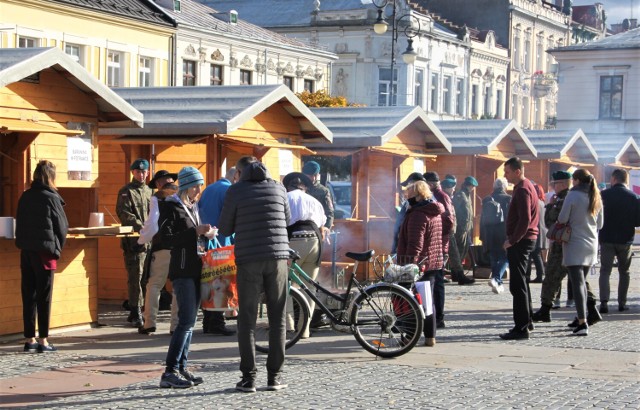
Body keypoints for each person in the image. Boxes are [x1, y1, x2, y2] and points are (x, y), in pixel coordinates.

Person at [219, 156, 290, 393]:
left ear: (240, 172)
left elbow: (225, 228)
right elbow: (286, 220)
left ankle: (249, 378)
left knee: (247, 320)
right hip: (278, 258)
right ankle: (275, 377)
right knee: (277, 318)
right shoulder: (279, 188)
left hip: (249, 258)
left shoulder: (236, 191)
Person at [158, 166, 210, 388]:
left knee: (190, 322)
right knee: (185, 322)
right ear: (187, 186)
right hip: (182, 270)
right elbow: (165, 238)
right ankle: (169, 371)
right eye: (196, 186)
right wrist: (195, 232)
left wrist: (206, 235)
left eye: (200, 186)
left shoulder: (193, 206)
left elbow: (194, 237)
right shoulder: (171, 206)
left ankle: (181, 367)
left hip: (196, 267)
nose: (199, 190)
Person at [15, 160, 69, 353]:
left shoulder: (25, 196)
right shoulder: (52, 197)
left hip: (26, 251)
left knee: (28, 295)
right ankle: (43, 340)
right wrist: (57, 249)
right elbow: (62, 227)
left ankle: (29, 339)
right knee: (44, 297)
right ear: (51, 176)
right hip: (45, 253)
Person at [396, 180, 444, 347]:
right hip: (433, 262)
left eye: (408, 196)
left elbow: (415, 243)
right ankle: (430, 336)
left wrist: (410, 265)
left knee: (410, 301)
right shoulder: (434, 211)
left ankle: (409, 336)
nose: (406, 199)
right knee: (428, 300)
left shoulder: (418, 215)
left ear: (418, 196)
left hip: (418, 264)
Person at [557, 169, 604, 336]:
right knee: (582, 282)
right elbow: (600, 224)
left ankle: (583, 322)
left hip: (575, 242)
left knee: (577, 283)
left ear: (576, 180)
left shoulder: (572, 195)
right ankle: (580, 317)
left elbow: (562, 218)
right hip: (591, 243)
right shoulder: (596, 196)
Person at [282, 171, 327, 339]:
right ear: (305, 187)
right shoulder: (315, 201)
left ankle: (288, 326)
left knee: (284, 284)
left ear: (288, 186)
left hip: (294, 241)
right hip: (315, 242)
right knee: (309, 286)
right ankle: (305, 329)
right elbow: (322, 226)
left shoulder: (285, 198)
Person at [499, 157, 539, 341]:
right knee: (522, 282)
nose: (504, 175)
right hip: (526, 240)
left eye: (507, 172)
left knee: (517, 285)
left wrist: (512, 240)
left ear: (518, 171)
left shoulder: (523, 189)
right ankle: (527, 320)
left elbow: (524, 220)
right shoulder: (525, 186)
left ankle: (521, 328)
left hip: (522, 241)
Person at [197, 167, 238, 336]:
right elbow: (232, 217)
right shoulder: (229, 190)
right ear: (235, 177)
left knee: (209, 282)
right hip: (222, 244)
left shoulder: (208, 189)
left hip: (207, 242)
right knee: (221, 284)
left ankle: (208, 322)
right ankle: (217, 323)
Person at [137, 170, 179, 335]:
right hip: (181, 246)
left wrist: (141, 240)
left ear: (159, 184)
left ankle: (149, 323)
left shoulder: (157, 198)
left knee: (154, 284)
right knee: (177, 286)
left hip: (163, 246)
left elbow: (153, 224)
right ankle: (175, 325)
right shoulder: (182, 195)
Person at [116, 158, 152, 328]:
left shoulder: (150, 192)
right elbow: (124, 213)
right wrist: (141, 225)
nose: (141, 174)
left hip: (149, 240)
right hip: (134, 241)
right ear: (133, 172)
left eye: (144, 171)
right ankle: (135, 310)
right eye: (138, 171)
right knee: (135, 276)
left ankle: (144, 309)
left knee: (146, 277)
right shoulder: (126, 191)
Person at [531, 171, 572, 323]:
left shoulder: (562, 200)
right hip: (567, 244)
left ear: (562, 184)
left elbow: (550, 222)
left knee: (552, 277)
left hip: (562, 245)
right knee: (576, 278)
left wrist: (550, 206)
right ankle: (592, 307)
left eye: (555, 184)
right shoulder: (569, 197)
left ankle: (545, 308)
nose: (553, 187)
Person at [598, 168, 640, 313]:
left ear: (614, 179)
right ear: (626, 180)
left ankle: (604, 302)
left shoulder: (603, 195)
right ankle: (622, 303)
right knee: (625, 272)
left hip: (606, 238)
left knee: (605, 271)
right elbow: (637, 221)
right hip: (625, 239)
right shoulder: (634, 197)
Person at [302, 160, 334, 329]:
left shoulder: (323, 191)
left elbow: (329, 213)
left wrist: (327, 228)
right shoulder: (300, 187)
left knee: (316, 275)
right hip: (303, 236)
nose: (312, 177)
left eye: (313, 175)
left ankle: (314, 315)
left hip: (318, 235)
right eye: (309, 174)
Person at [424, 171, 453, 328]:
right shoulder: (438, 195)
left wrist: (437, 235)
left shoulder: (441, 196)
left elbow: (449, 221)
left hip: (439, 244)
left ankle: (439, 317)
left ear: (431, 183)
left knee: (438, 280)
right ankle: (435, 316)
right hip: (437, 244)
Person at [481, 177, 511, 295]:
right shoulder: (509, 199)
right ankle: (496, 279)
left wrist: (483, 235)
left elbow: (482, 219)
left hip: (489, 233)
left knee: (494, 257)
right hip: (503, 233)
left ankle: (497, 283)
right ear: (504, 187)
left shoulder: (487, 199)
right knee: (506, 257)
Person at [451, 176, 477, 285]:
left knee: (463, 251)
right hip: (460, 228)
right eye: (473, 186)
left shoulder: (467, 195)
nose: (473, 188)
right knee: (458, 251)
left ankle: (456, 273)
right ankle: (456, 274)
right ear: (469, 185)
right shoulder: (460, 195)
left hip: (466, 228)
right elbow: (454, 210)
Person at [392, 172, 426, 254]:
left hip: (412, 251)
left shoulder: (422, 205)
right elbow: (399, 225)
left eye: (408, 187)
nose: (406, 190)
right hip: (404, 247)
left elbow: (416, 236)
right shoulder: (408, 203)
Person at [526, 184, 547, 283]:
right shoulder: (542, 203)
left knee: (531, 254)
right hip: (542, 231)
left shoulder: (534, 202)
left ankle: (528, 275)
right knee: (536, 254)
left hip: (535, 231)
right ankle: (539, 275)